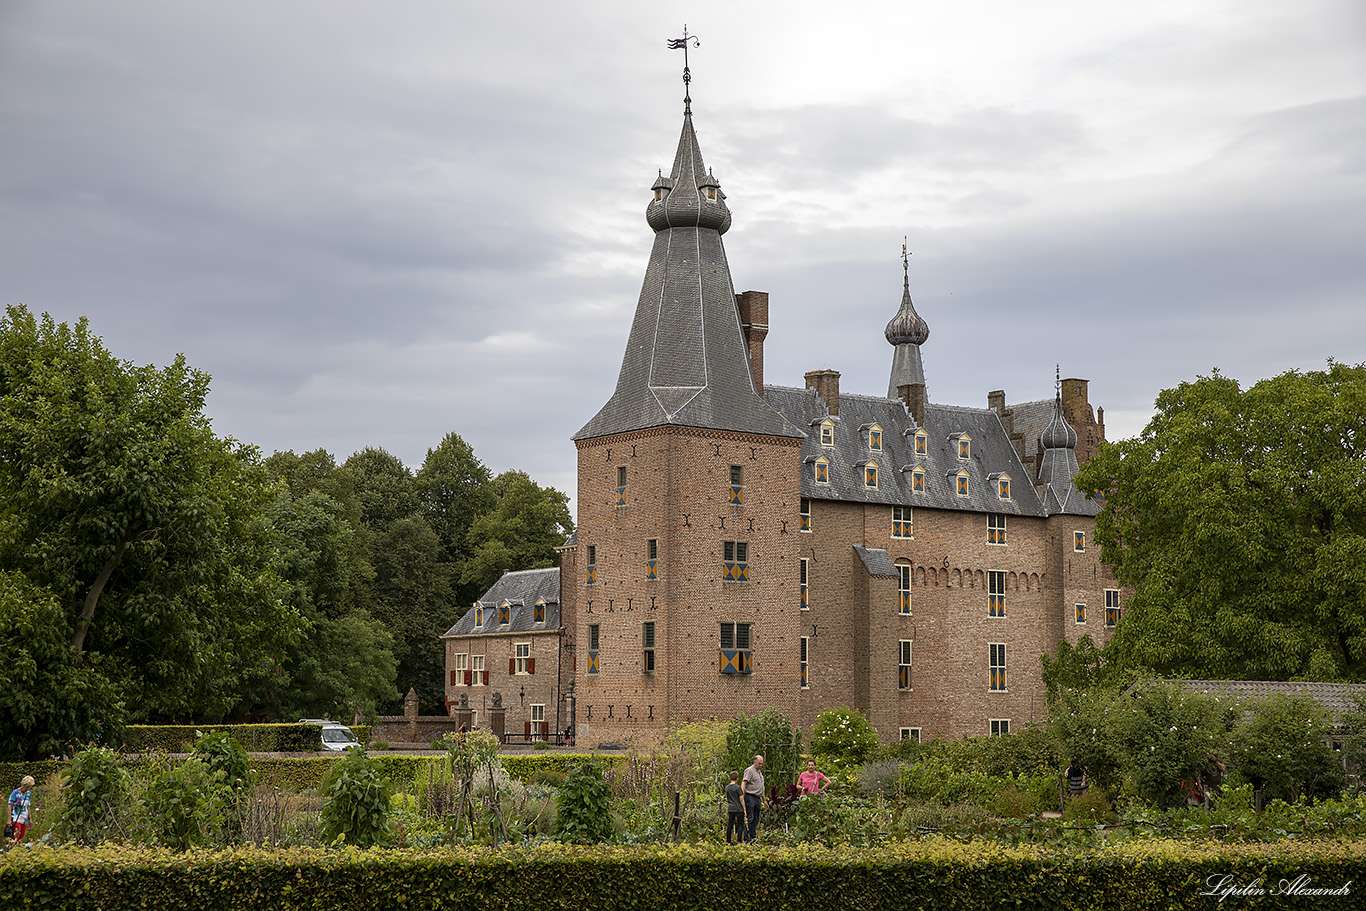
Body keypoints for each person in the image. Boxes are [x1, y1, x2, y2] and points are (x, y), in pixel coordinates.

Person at [741, 754, 765, 842]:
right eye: (759, 763)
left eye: (762, 764)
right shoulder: (749, 770)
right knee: (749, 818)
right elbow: (744, 783)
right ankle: (747, 838)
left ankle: (753, 837)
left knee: (756, 819)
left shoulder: (759, 772)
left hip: (758, 798)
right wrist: (742, 796)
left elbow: (762, 787)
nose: (761, 765)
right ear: (754, 762)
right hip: (750, 797)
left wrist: (764, 800)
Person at [7, 776, 34, 843]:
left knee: (21, 839)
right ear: (23, 785)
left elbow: (28, 806)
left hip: (24, 819)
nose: (28, 789)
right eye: (27, 787)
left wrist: (30, 819)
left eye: (29, 787)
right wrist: (9, 819)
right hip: (16, 818)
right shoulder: (15, 793)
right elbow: (9, 806)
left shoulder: (28, 793)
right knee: (15, 838)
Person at [724, 771, 745, 844]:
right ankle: (739, 840)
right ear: (737, 779)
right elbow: (741, 799)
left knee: (730, 824)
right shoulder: (738, 788)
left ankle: (728, 841)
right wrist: (744, 809)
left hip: (731, 808)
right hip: (739, 808)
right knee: (740, 824)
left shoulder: (727, 788)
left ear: (729, 778)